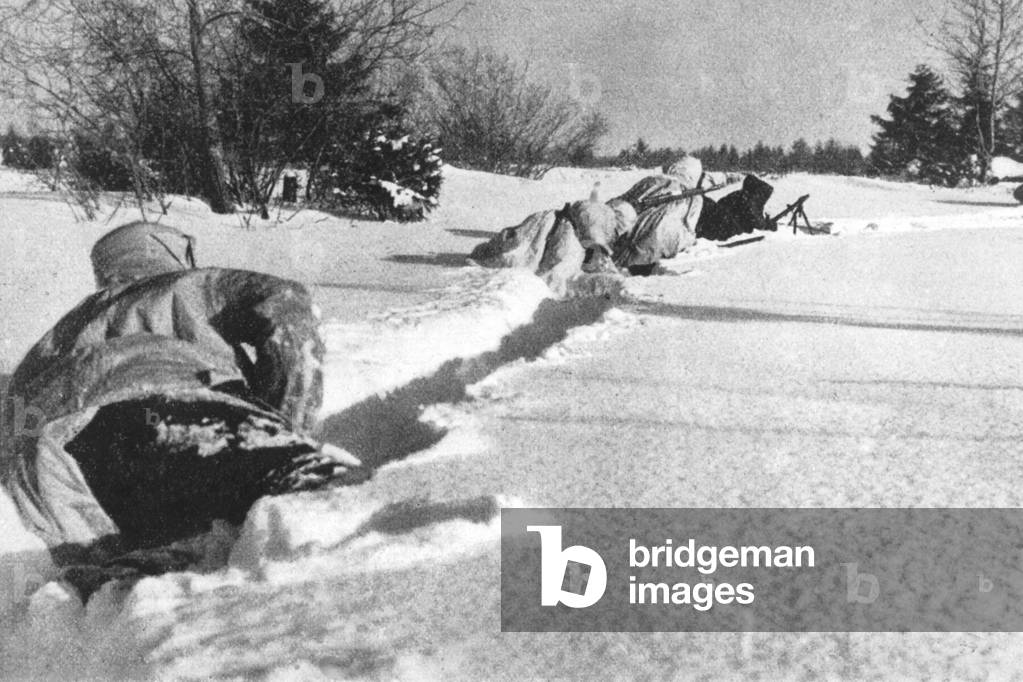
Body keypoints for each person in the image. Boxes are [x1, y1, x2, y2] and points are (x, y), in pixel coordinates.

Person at [0, 221, 368, 589]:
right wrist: (287, 426)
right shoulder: (177, 287)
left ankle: (153, 572)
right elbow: (287, 303)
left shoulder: (60, 332)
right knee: (318, 495)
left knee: (156, 571)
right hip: (153, 405)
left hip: (50, 461)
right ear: (171, 253)